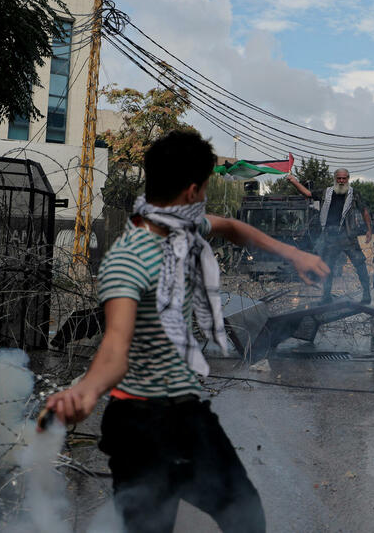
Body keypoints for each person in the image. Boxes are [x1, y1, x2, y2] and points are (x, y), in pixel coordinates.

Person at [42, 131, 329, 533]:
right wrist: (86, 391)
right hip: (143, 427)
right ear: (192, 192)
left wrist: (294, 253)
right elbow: (115, 347)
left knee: (246, 516)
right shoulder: (129, 259)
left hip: (186, 415)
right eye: (206, 188)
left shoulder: (183, 228)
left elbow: (232, 227)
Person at [287, 168, 373, 304]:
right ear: (335, 179)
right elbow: (308, 193)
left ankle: (367, 294)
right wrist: (294, 181)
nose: (341, 181)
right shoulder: (326, 192)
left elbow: (364, 211)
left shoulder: (354, 194)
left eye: (344, 178)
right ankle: (326, 296)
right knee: (327, 267)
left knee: (360, 264)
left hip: (348, 236)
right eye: (339, 178)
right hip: (330, 236)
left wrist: (369, 230)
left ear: (348, 179)